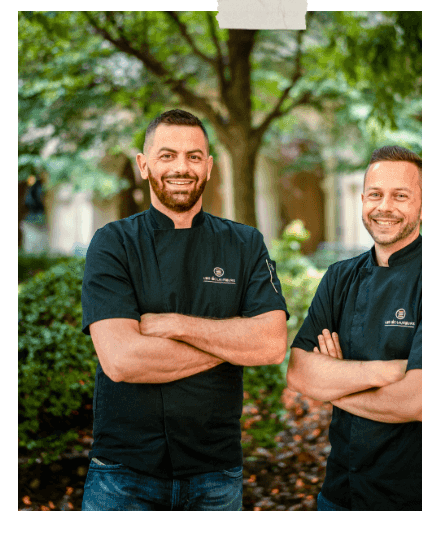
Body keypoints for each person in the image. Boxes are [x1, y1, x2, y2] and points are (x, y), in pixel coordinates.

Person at [80, 109, 288, 511]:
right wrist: (230, 342)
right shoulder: (112, 244)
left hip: (215, 474)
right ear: (144, 165)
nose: (182, 167)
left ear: (209, 168)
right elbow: (122, 360)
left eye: (194, 156)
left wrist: (175, 325)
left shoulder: (245, 244)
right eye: (167, 155)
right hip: (123, 475)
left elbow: (272, 344)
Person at [286, 146, 422, 511]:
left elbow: (420, 402)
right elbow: (298, 372)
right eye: (375, 194)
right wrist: (390, 370)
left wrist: (333, 385)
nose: (384, 206)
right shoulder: (339, 278)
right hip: (340, 496)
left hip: (419, 503)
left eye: (400, 196)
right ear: (362, 201)